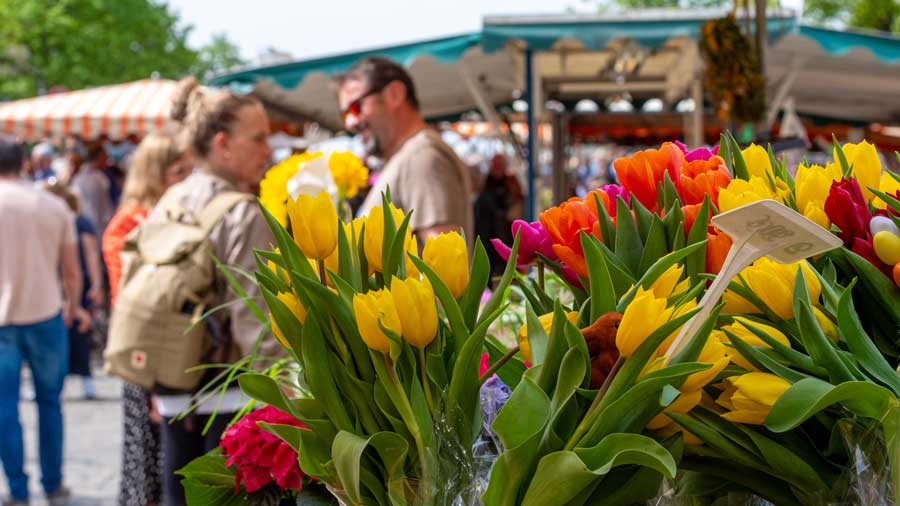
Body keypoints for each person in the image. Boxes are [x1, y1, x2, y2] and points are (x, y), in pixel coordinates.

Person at [147, 77, 280, 506]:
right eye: (258, 138)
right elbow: (256, 319)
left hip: (172, 386)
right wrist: (286, 398)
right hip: (231, 398)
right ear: (222, 143)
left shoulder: (171, 198)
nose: (269, 149)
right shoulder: (242, 213)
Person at [102, 128, 192, 506]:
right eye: (178, 172)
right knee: (153, 467)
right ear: (155, 175)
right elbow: (134, 307)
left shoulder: (168, 213)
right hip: (148, 359)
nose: (188, 180)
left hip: (173, 355)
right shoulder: (132, 224)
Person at [0, 137, 87, 506]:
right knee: (50, 403)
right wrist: (73, 304)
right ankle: (53, 484)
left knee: (4, 410)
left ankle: (18, 489)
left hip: (2, 323)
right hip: (47, 314)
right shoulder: (53, 206)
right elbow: (71, 270)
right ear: (24, 162)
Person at [336, 57, 473, 244]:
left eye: (355, 107)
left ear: (395, 94)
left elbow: (442, 260)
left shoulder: (421, 155)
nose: (350, 123)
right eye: (345, 114)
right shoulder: (411, 154)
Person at [43, 183, 104, 401]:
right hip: (57, 282)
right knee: (59, 335)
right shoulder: (53, 221)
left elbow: (91, 256)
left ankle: (85, 379)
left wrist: (96, 285)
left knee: (79, 334)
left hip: (76, 283)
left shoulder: (79, 222)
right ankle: (57, 381)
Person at [69, 143, 114, 236]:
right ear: (99, 156)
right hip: (93, 225)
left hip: (97, 224)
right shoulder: (96, 177)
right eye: (105, 156)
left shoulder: (99, 176)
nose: (107, 159)